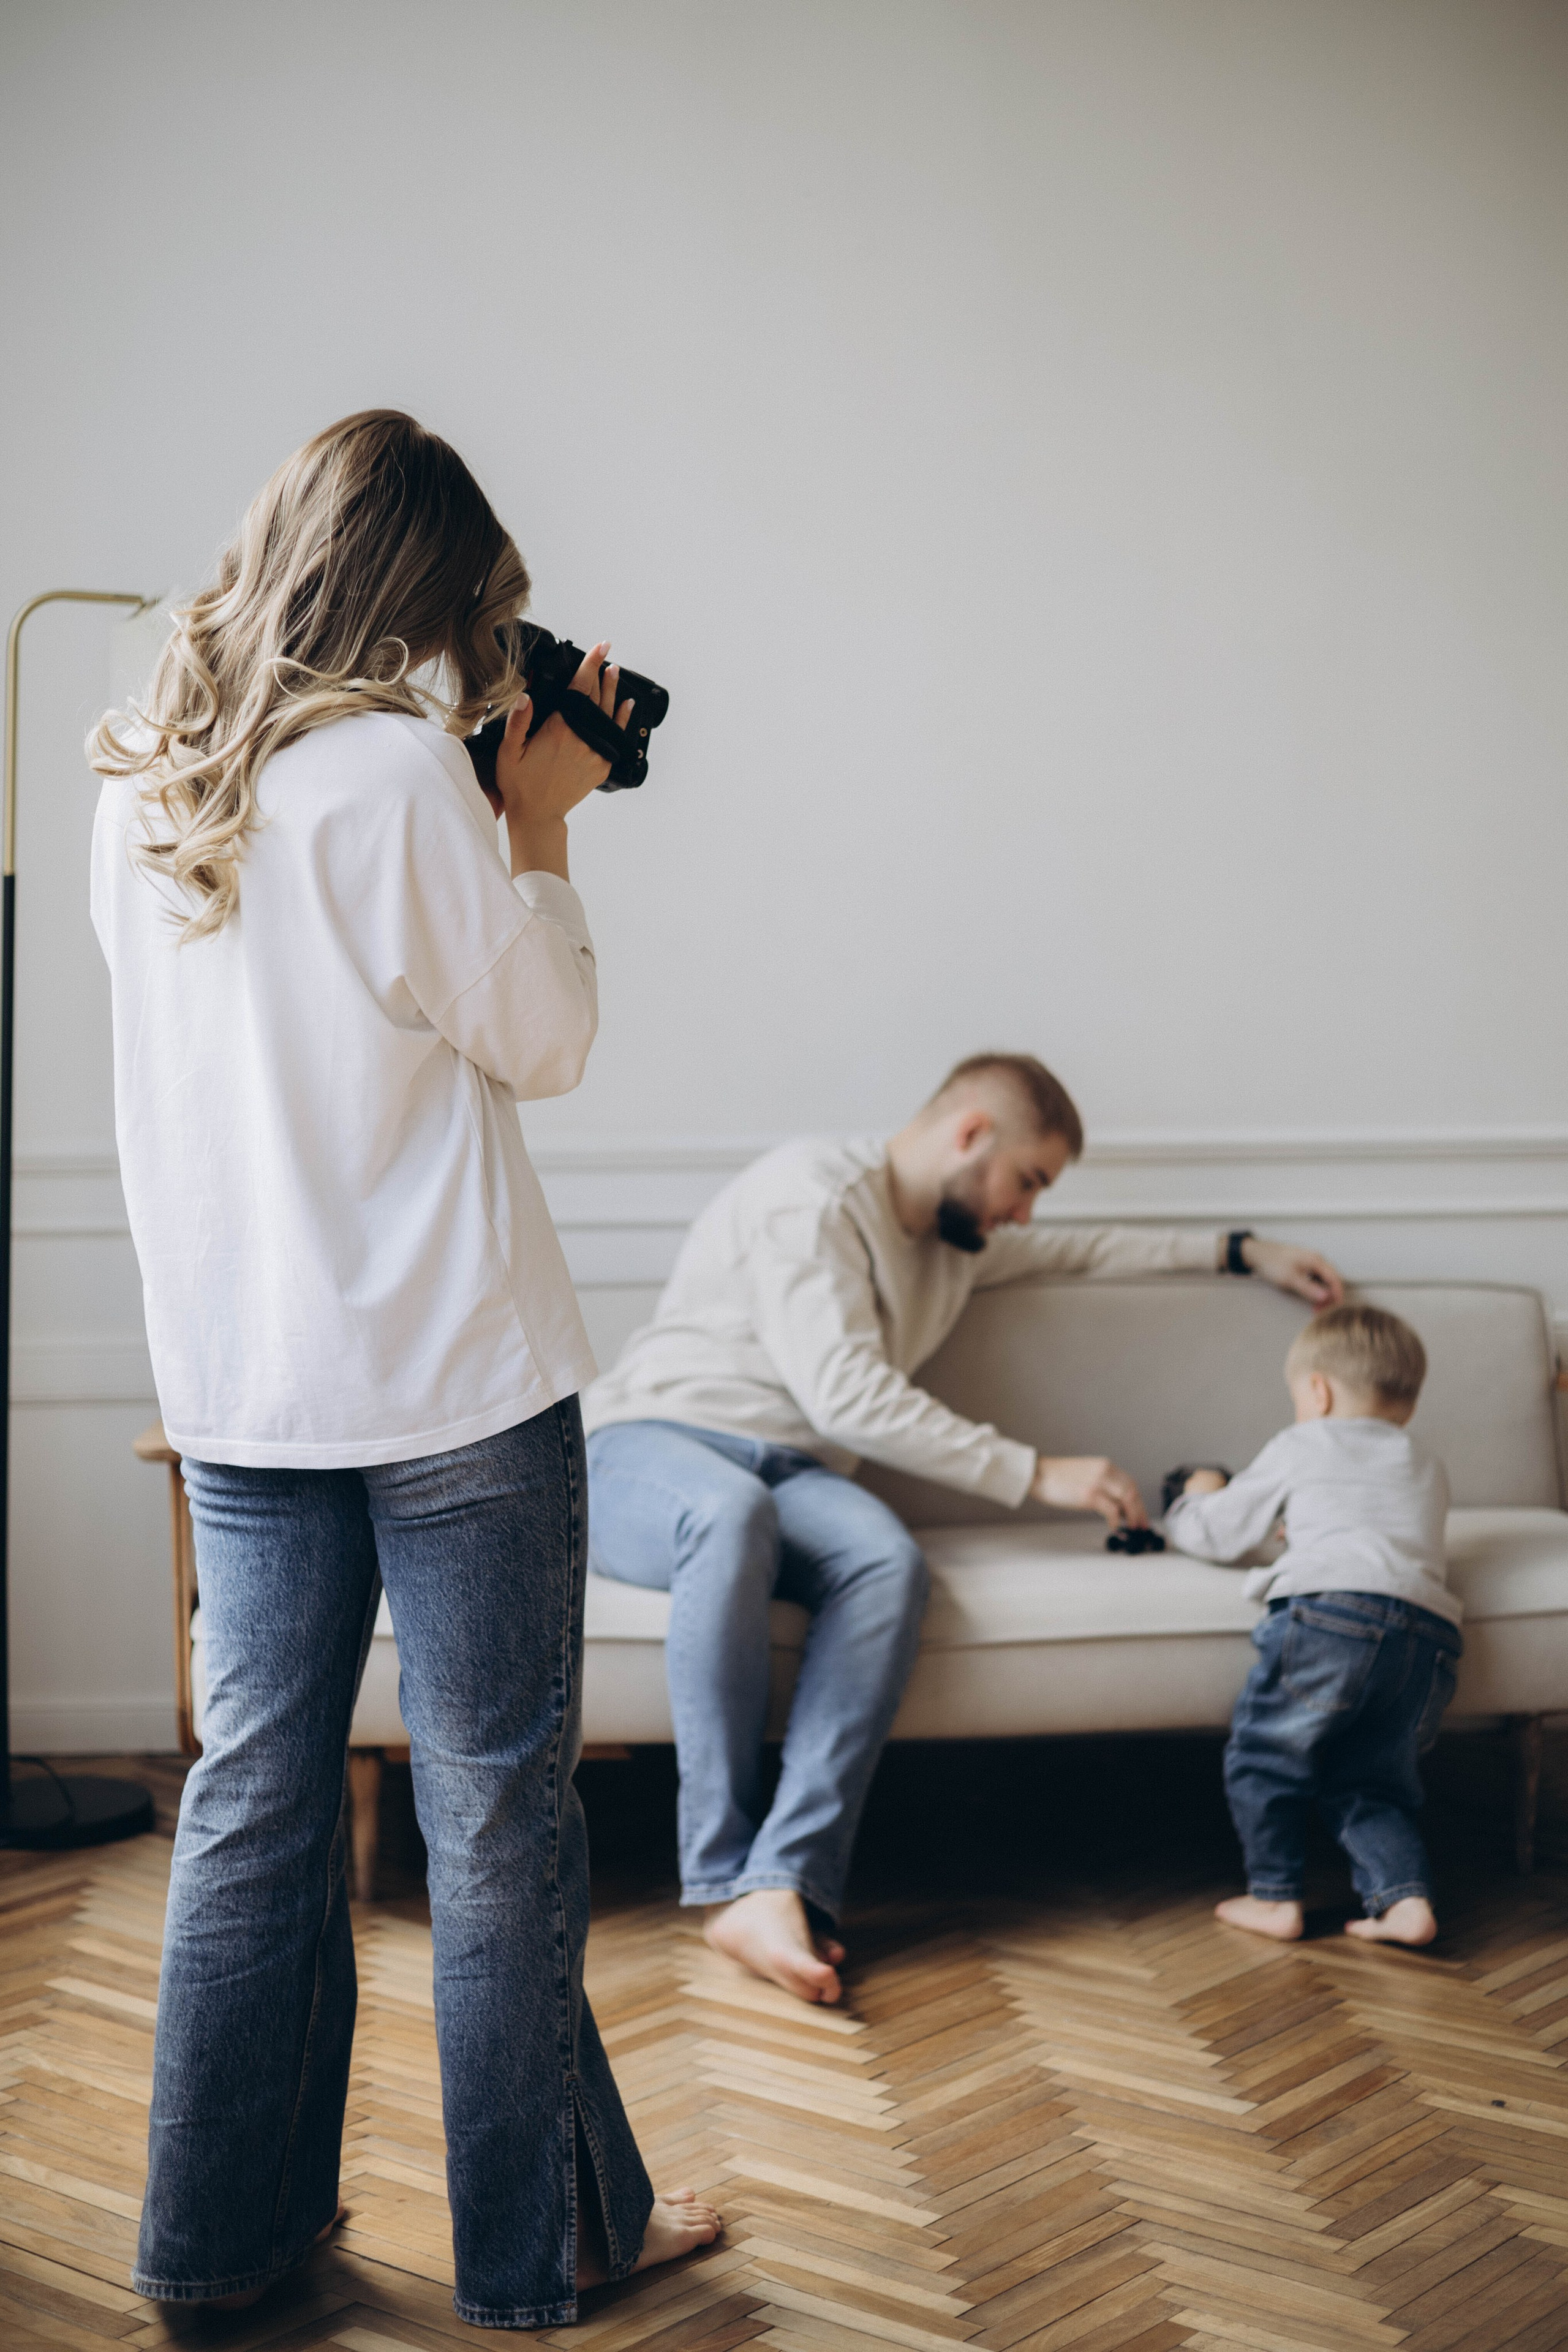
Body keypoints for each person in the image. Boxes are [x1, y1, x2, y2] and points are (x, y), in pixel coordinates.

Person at [89, 412, 717, 2327]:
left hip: (246, 1383)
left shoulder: (138, 772)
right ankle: (529, 2266)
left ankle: (215, 2248)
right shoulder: (394, 781)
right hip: (451, 1379)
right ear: (428, 590)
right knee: (499, 1813)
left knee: (254, 1803)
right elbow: (541, 1038)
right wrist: (532, 821)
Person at [584, 1053, 1344, 2003]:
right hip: (647, 1445)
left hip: (795, 1472)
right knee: (730, 1516)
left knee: (884, 1562)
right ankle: (720, 1873)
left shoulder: (951, 1244)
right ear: (971, 1132)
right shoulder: (809, 1194)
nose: (1027, 1211)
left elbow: (1091, 1250)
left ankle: (781, 1879)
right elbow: (845, 1395)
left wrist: (1242, 1250)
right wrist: (1039, 1472)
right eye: (1028, 1180)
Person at [1164, 1303, 1461, 1948]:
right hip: (1427, 1639)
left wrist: (1194, 1497)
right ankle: (1404, 1900)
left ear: (1317, 1392)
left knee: (1265, 1757)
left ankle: (1273, 1896)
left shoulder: (1302, 1442)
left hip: (1331, 1621)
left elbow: (1218, 1533)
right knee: (1371, 1780)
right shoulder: (1427, 1465)